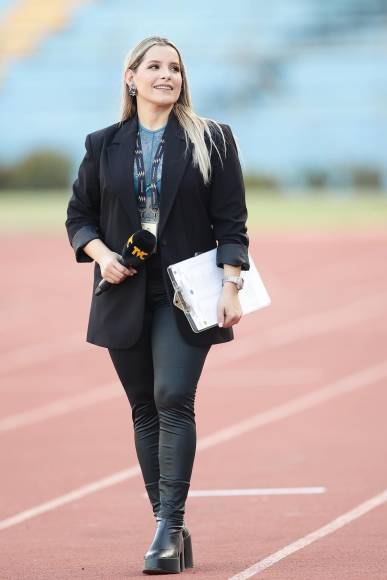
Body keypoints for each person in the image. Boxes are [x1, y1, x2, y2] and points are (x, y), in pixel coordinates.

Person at [65, 35, 249, 575]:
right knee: (144, 407)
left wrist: (232, 283)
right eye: (154, 66)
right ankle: (168, 523)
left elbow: (231, 218)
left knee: (173, 396)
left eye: (175, 67)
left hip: (187, 292)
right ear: (132, 77)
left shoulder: (212, 139)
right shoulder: (103, 144)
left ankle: (168, 528)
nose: (166, 75)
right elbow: (80, 216)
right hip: (122, 291)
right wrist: (100, 255)